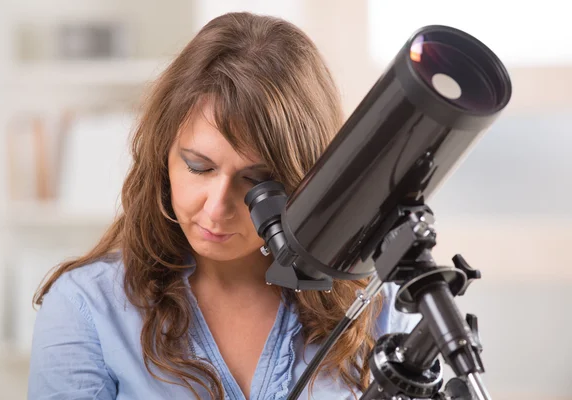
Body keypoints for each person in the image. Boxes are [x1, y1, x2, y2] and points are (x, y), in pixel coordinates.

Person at [27, 11, 419, 400]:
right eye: (199, 167)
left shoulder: (380, 303)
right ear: (163, 155)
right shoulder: (87, 308)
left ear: (307, 178)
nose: (217, 208)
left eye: (256, 181)